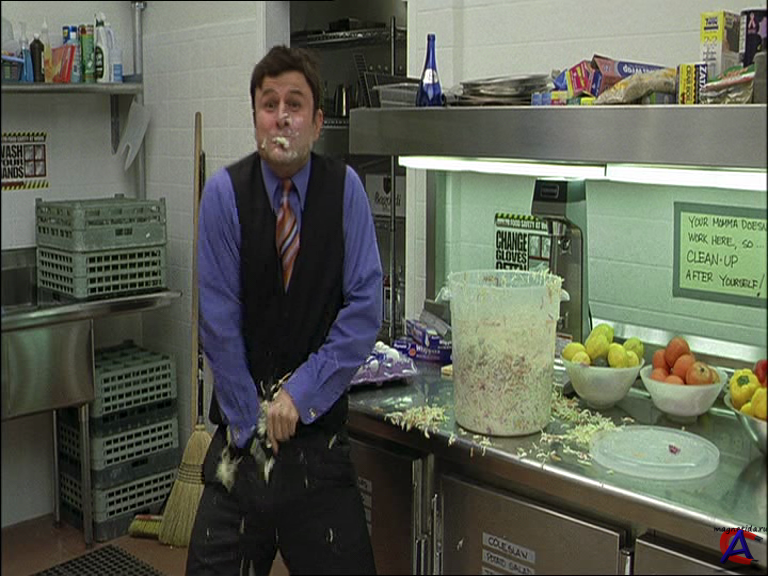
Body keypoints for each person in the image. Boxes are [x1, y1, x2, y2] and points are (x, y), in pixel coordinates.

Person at [186, 45, 382, 575]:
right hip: (240, 445)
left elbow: (364, 307)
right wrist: (251, 421)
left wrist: (301, 393)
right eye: (269, 104)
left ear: (317, 122)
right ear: (255, 118)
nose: (281, 116)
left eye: (295, 104)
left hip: (319, 448)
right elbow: (218, 322)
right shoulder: (224, 195)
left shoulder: (347, 193)